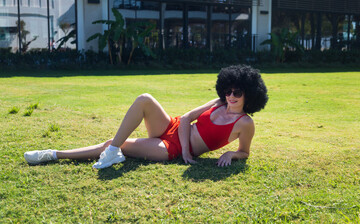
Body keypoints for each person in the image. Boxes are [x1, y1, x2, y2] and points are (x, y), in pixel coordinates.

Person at [24, 65, 268, 169]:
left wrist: (231, 153)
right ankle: (113, 153)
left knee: (111, 143)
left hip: (170, 147)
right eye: (228, 90)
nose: (231, 96)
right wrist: (186, 151)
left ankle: (53, 154)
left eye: (237, 92)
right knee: (144, 98)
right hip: (173, 128)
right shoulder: (218, 102)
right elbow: (184, 119)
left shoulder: (245, 123)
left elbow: (245, 152)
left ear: (249, 95)